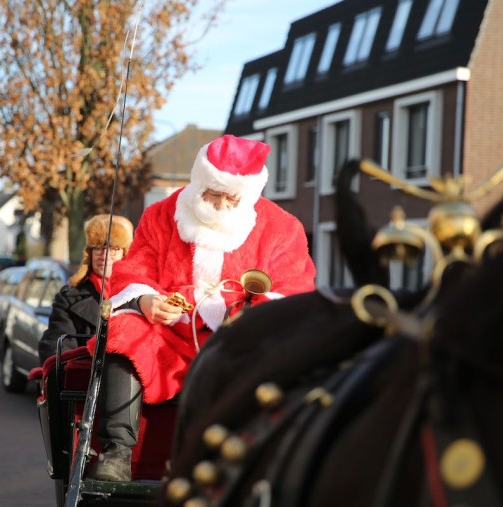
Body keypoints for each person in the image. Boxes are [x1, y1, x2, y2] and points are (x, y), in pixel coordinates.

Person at [88, 134, 317, 482]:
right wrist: (146, 300)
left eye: (231, 197)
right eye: (214, 194)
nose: (222, 204)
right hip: (165, 334)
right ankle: (118, 452)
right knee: (124, 330)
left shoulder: (282, 228)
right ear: (199, 183)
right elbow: (134, 271)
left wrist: (253, 312)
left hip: (237, 340)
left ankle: (241, 459)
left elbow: (296, 289)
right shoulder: (161, 215)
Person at [37, 214, 134, 364]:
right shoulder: (68, 297)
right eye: (98, 248)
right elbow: (55, 346)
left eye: (114, 248)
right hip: (84, 382)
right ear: (89, 254)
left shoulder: (140, 296)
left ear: (125, 254)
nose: (105, 256)